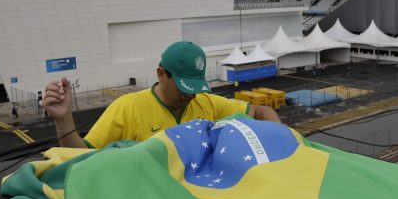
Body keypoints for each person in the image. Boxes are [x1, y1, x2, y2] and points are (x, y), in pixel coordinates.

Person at [43, 41, 280, 149]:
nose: (191, 97)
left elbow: (260, 111)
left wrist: (278, 134)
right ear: (160, 74)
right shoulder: (127, 108)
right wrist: (64, 120)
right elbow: (82, 157)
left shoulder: (207, 102)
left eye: (196, 89)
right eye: (184, 88)